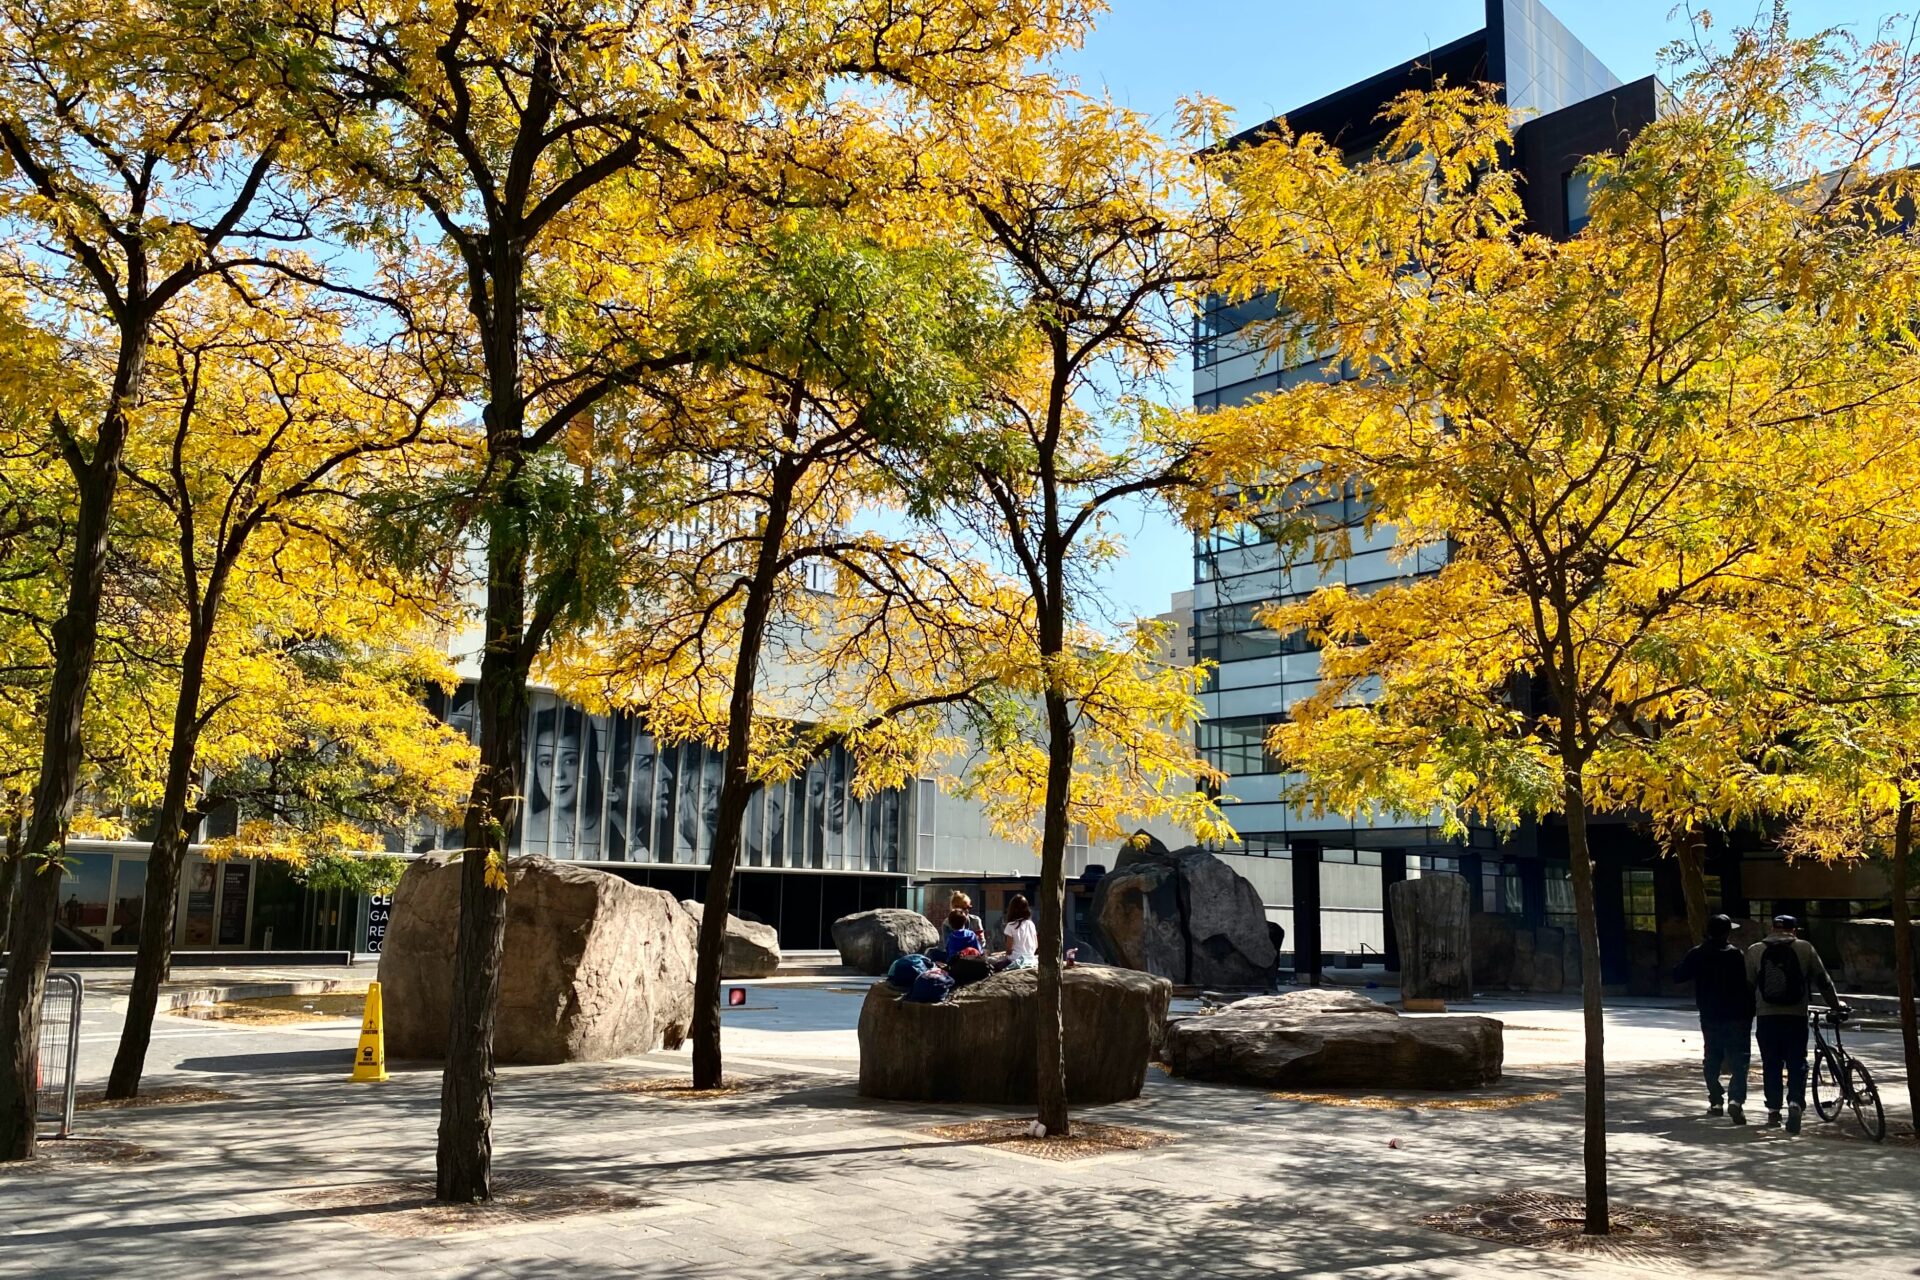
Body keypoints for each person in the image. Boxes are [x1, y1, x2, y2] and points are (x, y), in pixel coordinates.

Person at [1746, 914, 1842, 1133]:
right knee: (1797, 1061)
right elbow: (1823, 980)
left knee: (1771, 1063)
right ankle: (1795, 1102)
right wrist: (1835, 1005)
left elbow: (1748, 986)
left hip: (1766, 1016)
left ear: (1772, 928)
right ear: (1794, 930)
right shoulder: (1805, 948)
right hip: (1796, 1016)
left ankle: (1773, 1110)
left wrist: (1747, 1015)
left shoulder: (1755, 950)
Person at [1671, 914, 1754, 1123]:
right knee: (1740, 1059)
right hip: (1737, 1015)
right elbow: (1747, 983)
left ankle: (1716, 1100)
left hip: (1710, 1014)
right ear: (1727, 933)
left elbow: (1678, 975)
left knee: (1712, 1057)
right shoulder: (1736, 954)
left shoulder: (1698, 953)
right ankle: (1736, 1100)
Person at [1002, 894, 1038, 970]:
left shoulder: (1010, 925)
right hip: (1030, 957)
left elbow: (1009, 949)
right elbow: (1036, 945)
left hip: (1015, 958)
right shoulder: (1031, 924)